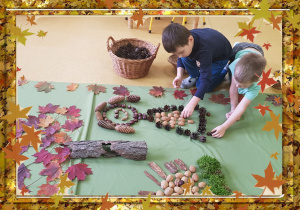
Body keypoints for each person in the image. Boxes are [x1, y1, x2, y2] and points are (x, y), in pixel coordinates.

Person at [162, 23, 233, 118]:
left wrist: (191, 104)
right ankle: (194, 76)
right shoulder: (183, 40)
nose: (179, 55)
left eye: (181, 52)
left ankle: (224, 70)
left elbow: (205, 80)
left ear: (190, 40)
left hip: (220, 57)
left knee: (204, 87)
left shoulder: (204, 50)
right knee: (184, 57)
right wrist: (179, 75)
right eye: (176, 53)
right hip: (206, 50)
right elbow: (180, 57)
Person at [211, 42, 267, 138]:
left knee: (260, 62)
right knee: (229, 74)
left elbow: (242, 107)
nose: (236, 85)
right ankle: (237, 44)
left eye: (241, 85)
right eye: (236, 81)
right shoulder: (236, 65)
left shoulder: (257, 85)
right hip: (240, 49)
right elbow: (233, 89)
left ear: (255, 81)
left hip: (258, 52)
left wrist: (224, 126)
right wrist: (233, 108)